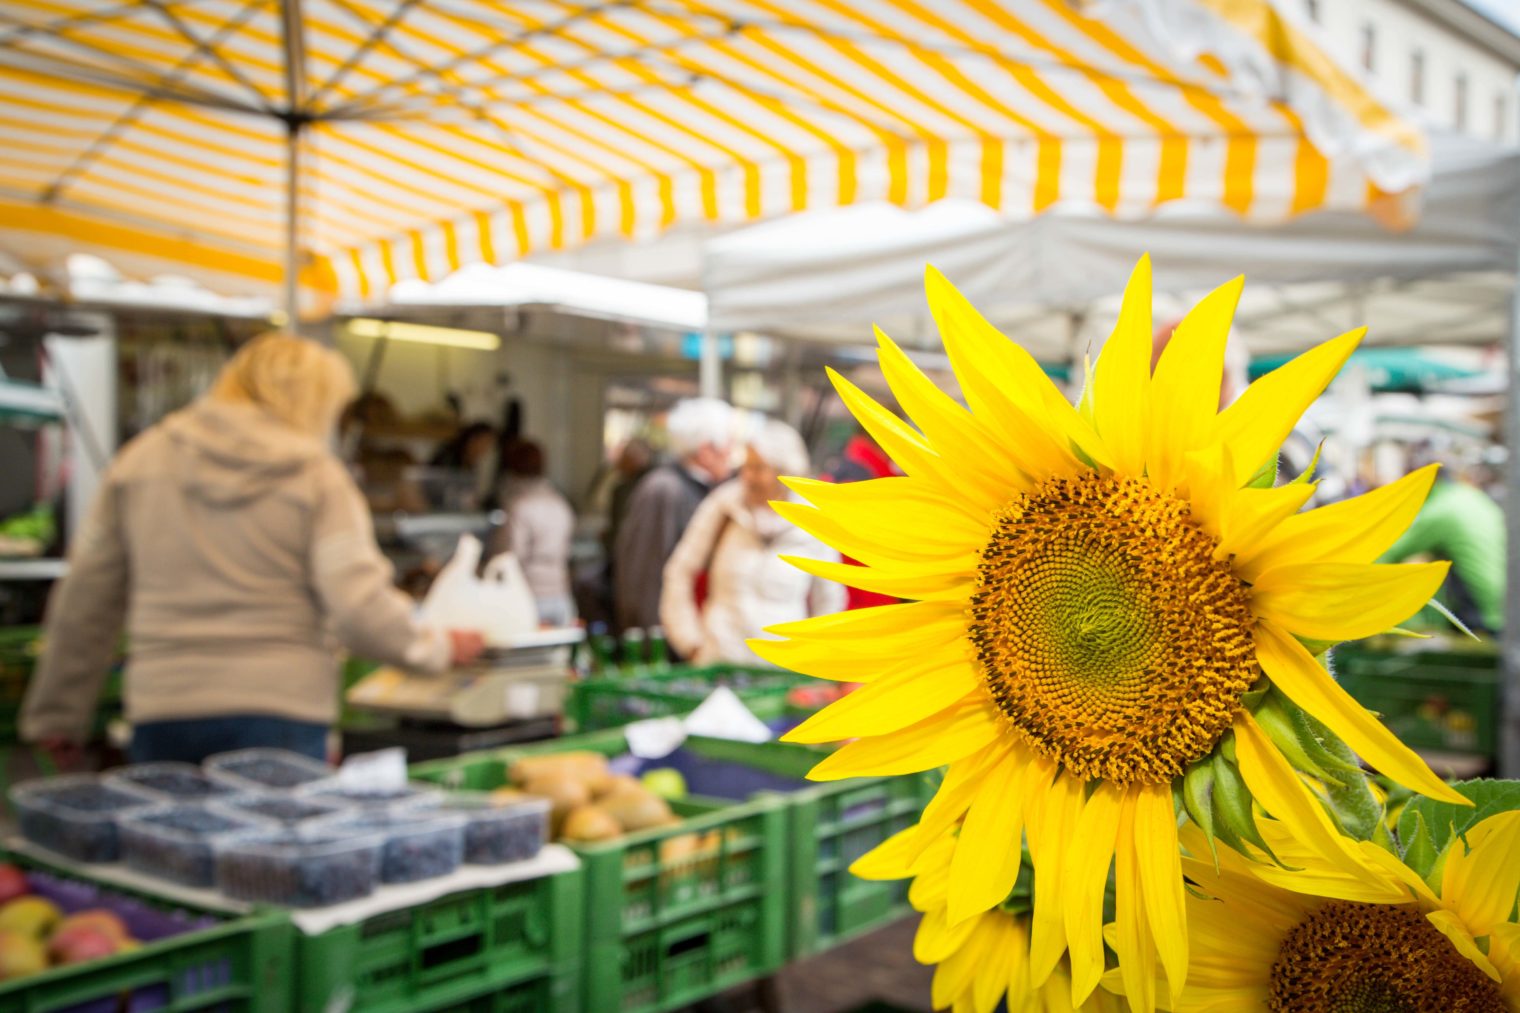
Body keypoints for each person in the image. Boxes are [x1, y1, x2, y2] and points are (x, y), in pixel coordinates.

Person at [20, 334, 484, 766]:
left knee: (173, 850)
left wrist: (57, 714)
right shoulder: (315, 476)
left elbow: (86, 599)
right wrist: (436, 647)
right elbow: (359, 607)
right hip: (281, 711)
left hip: (166, 709)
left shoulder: (142, 460)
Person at [660, 419, 846, 665]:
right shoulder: (723, 506)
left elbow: (830, 597)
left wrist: (814, 656)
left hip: (784, 668)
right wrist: (690, 642)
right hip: (720, 661)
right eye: (745, 466)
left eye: (758, 468)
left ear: (784, 472)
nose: (748, 476)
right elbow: (679, 571)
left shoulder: (813, 518)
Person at [614, 398, 734, 633]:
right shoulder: (664, 490)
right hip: (667, 635)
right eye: (729, 444)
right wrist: (656, 636)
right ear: (706, 450)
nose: (732, 453)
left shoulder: (707, 488)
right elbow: (644, 573)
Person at [1381, 469, 1505, 634]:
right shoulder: (1471, 497)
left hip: (1483, 612)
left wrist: (1405, 620)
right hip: (1506, 605)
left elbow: (1384, 554)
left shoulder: (1440, 510)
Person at [493, 439, 577, 628]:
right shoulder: (560, 503)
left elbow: (512, 556)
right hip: (561, 594)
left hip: (529, 595)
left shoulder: (519, 505)